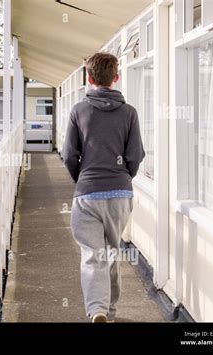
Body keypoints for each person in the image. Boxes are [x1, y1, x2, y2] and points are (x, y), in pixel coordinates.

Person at [62, 52, 145, 323]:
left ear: (89, 78)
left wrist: (83, 180)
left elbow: (68, 155)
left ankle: (98, 309)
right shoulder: (129, 113)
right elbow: (135, 155)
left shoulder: (79, 110)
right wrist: (122, 178)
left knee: (93, 256)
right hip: (120, 194)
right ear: (116, 78)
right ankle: (109, 312)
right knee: (111, 252)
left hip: (88, 193)